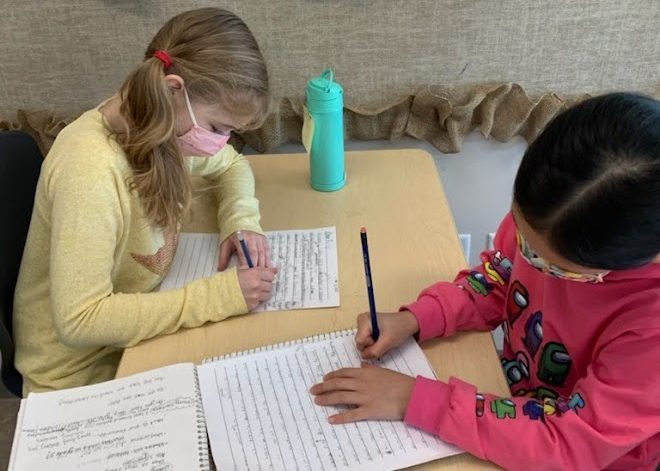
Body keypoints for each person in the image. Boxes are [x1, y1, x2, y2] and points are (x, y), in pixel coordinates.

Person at [311, 93, 660, 470]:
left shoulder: (649, 330)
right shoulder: (551, 217)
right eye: (523, 239)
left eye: (555, 267)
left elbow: (567, 444)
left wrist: (416, 400)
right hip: (511, 404)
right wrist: (416, 318)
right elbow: (497, 280)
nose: (527, 257)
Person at [14, 7, 278, 394]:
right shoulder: (89, 169)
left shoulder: (157, 124)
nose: (219, 142)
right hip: (77, 376)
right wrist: (220, 296)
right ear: (173, 89)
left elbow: (232, 165)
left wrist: (240, 221)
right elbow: (80, 320)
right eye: (217, 127)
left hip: (137, 337)